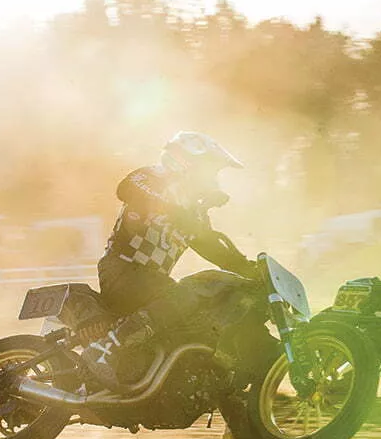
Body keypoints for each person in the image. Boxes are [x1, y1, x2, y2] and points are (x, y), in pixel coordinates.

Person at [82, 131, 256, 390]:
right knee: (187, 295)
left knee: (201, 316)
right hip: (123, 269)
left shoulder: (192, 211)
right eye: (210, 171)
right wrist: (181, 212)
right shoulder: (153, 177)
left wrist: (250, 269)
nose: (212, 178)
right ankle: (105, 349)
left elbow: (210, 246)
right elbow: (126, 188)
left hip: (150, 280)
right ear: (189, 163)